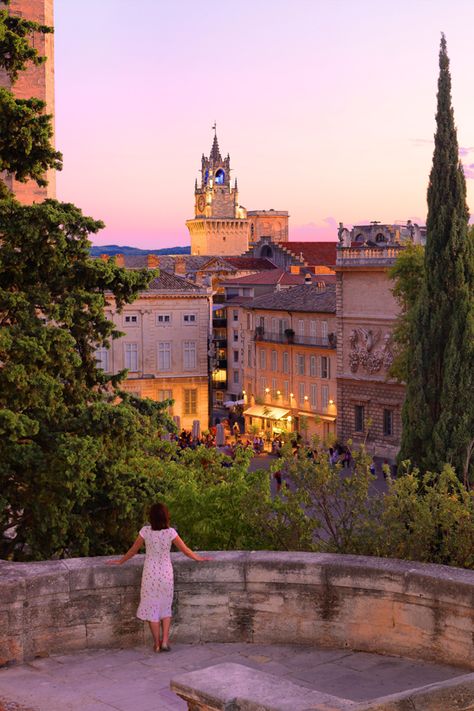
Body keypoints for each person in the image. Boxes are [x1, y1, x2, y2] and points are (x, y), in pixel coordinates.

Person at [107, 503, 210, 653]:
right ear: (165, 516)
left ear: (152, 517)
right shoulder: (170, 533)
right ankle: (165, 642)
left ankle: (156, 644)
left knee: (152, 608)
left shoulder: (145, 532)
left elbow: (133, 551)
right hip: (166, 574)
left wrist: (120, 561)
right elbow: (186, 551)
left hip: (150, 574)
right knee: (165, 607)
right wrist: (199, 558)